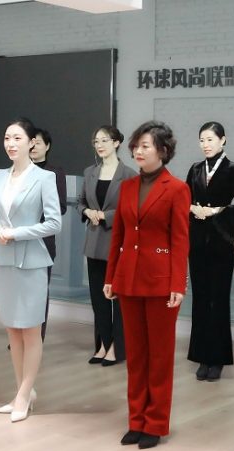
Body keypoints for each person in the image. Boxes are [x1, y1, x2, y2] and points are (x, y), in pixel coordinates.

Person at [103, 121, 190, 449]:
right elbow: (119, 236)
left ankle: (155, 423)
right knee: (136, 355)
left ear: (163, 151)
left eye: (145, 146)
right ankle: (136, 419)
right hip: (128, 280)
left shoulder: (177, 189)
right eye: (136, 146)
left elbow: (180, 240)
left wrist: (178, 283)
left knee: (160, 357)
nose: (138, 151)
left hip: (161, 282)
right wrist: (111, 276)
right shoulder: (127, 187)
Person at [0, 117, 61, 422]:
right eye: (7, 138)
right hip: (3, 260)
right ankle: (22, 392)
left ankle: (24, 393)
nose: (11, 143)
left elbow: (54, 223)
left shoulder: (44, 177)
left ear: (31, 143)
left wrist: (16, 233)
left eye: (17, 138)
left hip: (32, 261)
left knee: (30, 331)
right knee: (13, 330)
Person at [185, 121, 234, 382]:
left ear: (223, 140)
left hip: (221, 241)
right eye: (202, 140)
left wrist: (217, 210)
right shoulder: (195, 169)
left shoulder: (233, 169)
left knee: (218, 299)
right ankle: (202, 356)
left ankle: (218, 358)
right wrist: (192, 208)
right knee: (200, 299)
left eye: (210, 139)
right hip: (197, 241)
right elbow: (183, 198)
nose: (205, 144)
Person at [77, 125, 136, 367]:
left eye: (104, 140)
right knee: (98, 298)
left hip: (117, 243)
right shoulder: (90, 172)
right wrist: (87, 211)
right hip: (93, 243)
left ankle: (116, 348)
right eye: (96, 141)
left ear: (116, 142)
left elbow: (132, 210)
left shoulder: (129, 175)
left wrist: (105, 216)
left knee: (118, 299)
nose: (99, 145)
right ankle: (103, 344)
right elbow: (80, 202)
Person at [29, 127, 67, 340]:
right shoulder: (20, 170)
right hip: (19, 240)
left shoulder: (54, 173)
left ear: (47, 146)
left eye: (38, 143)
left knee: (40, 289)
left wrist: (33, 217)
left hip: (43, 239)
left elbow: (60, 207)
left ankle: (36, 336)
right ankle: (21, 333)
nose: (34, 146)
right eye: (31, 142)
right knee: (22, 290)